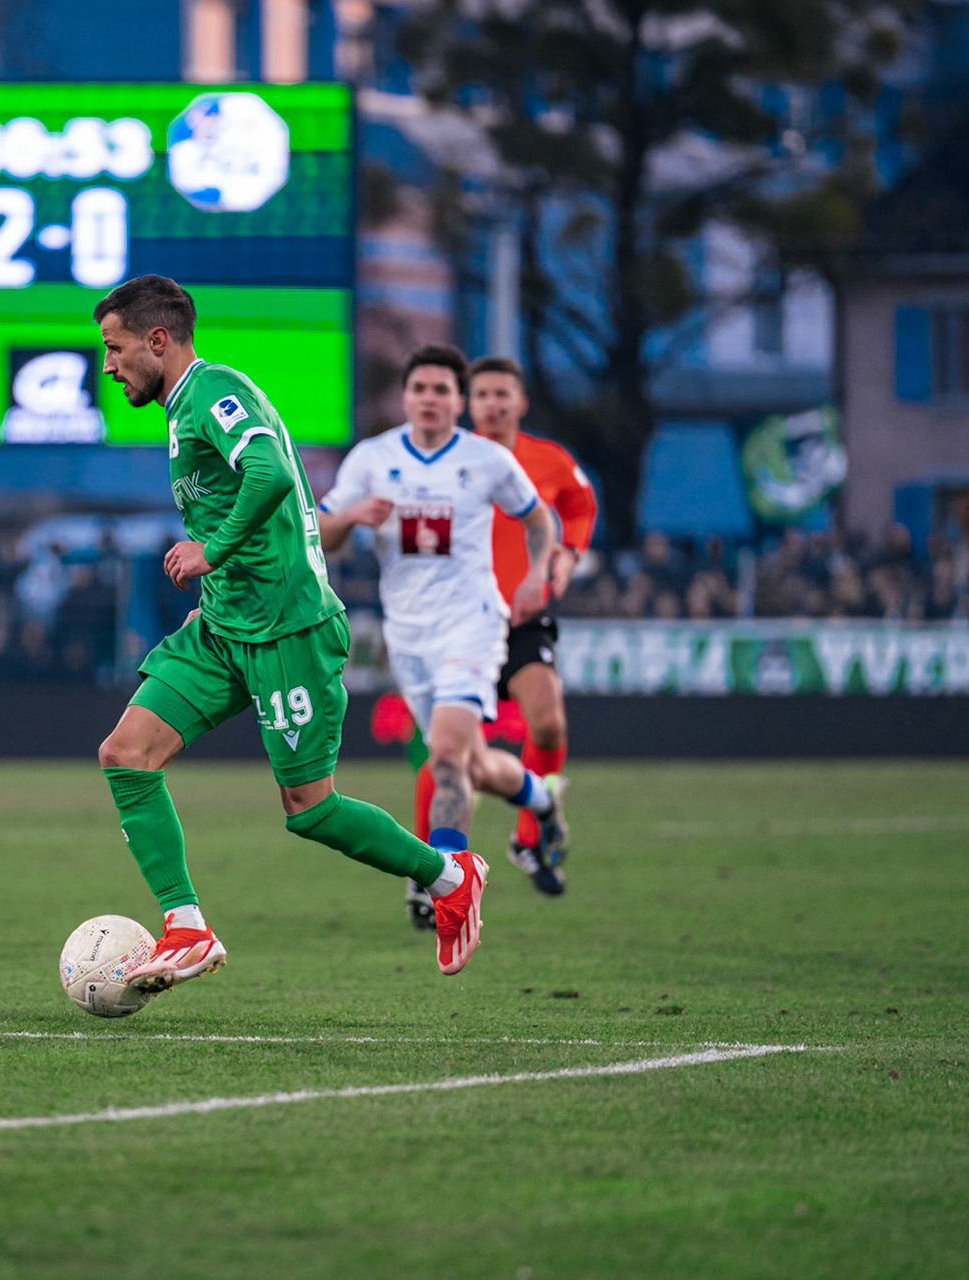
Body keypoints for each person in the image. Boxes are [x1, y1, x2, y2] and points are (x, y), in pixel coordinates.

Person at [91, 275, 489, 991]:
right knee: (126, 755)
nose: (110, 365)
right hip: (222, 624)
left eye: (117, 349)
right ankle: (187, 926)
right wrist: (216, 584)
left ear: (158, 340)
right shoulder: (185, 410)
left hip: (287, 631)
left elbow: (271, 471)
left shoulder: (214, 392)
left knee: (309, 810)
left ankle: (449, 873)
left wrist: (211, 553)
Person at [317, 345, 564, 930]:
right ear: (405, 397)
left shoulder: (488, 459)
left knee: (447, 756)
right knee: (471, 764)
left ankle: (447, 883)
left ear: (460, 400)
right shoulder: (371, 460)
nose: (429, 399)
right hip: (408, 635)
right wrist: (351, 518)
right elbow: (320, 535)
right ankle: (542, 799)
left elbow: (538, 519)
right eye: (419, 389)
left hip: (473, 623)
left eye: (441, 390)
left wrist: (536, 573)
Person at [434, 354, 600, 895]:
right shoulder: (442, 459)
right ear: (467, 404)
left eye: (502, 394)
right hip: (461, 623)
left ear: (520, 402)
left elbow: (580, 505)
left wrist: (568, 557)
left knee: (548, 723)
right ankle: (433, 870)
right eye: (482, 395)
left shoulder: (547, 460)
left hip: (523, 621)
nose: (493, 403)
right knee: (451, 752)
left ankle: (530, 838)